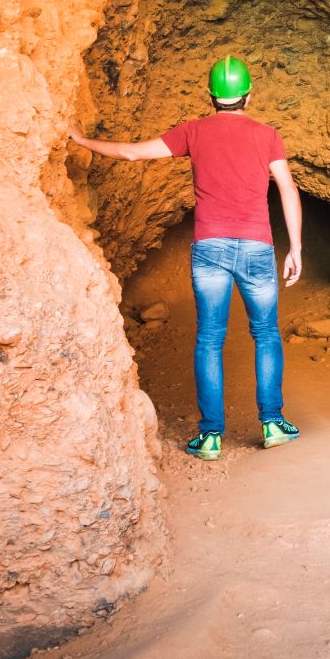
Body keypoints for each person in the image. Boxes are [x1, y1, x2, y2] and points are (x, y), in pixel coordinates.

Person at [70, 55, 303, 460]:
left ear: (211, 95)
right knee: (265, 333)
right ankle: (272, 422)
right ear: (249, 94)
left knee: (209, 339)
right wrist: (296, 247)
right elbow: (287, 188)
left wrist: (81, 140)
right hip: (256, 246)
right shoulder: (267, 136)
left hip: (210, 248)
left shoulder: (192, 132)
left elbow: (131, 154)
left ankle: (210, 436)